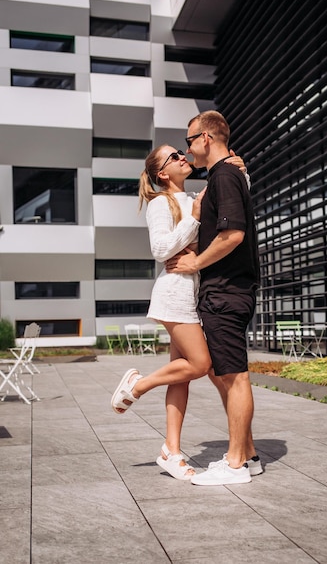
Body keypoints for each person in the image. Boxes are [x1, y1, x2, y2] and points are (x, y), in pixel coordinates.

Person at [110, 142, 248, 481]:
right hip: (175, 295)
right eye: (174, 156)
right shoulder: (162, 203)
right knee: (200, 365)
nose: (182, 157)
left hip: (194, 296)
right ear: (162, 173)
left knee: (182, 374)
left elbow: (229, 212)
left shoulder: (194, 197)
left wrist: (244, 174)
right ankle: (139, 385)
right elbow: (160, 249)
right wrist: (194, 220)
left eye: (181, 153)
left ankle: (171, 450)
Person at [165, 110, 260, 486]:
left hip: (226, 290)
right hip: (226, 289)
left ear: (206, 137)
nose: (187, 150)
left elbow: (232, 234)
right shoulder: (227, 174)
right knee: (225, 374)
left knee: (234, 378)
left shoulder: (223, 175)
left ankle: (235, 465)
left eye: (189, 141)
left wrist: (195, 264)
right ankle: (248, 455)